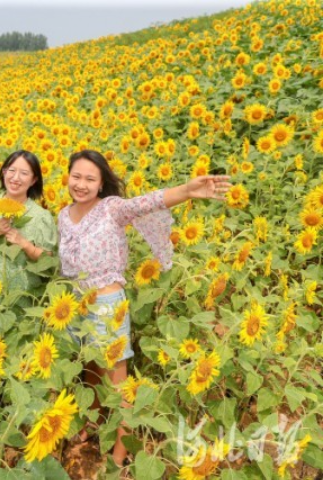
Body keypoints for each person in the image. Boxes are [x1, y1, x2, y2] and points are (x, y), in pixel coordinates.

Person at [57, 149, 231, 467]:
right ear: (68, 176)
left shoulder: (111, 208)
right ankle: (91, 424)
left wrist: (188, 191)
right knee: (88, 371)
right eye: (76, 176)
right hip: (76, 305)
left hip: (107, 306)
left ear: (101, 184)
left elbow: (147, 201)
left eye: (89, 179)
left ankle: (120, 455)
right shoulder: (63, 215)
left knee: (117, 380)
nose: (80, 184)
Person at [0, 150, 57, 293]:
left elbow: (47, 261)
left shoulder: (41, 216)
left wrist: (24, 244)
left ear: (34, 180)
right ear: (4, 172)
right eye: (12, 170)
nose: (16, 178)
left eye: (24, 173)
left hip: (27, 297)